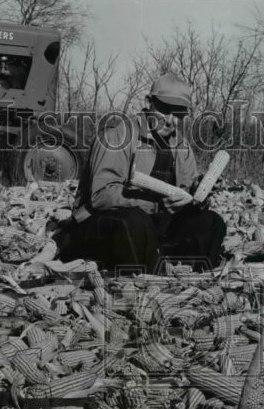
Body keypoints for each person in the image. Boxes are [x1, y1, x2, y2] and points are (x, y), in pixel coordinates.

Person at [56, 74, 227, 274]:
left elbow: (186, 193)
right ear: (148, 102)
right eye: (165, 110)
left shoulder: (181, 146)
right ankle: (136, 282)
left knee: (211, 222)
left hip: (153, 228)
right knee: (135, 221)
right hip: (101, 226)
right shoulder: (117, 136)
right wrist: (155, 205)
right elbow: (100, 196)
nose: (171, 121)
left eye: (179, 114)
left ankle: (190, 280)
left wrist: (200, 195)